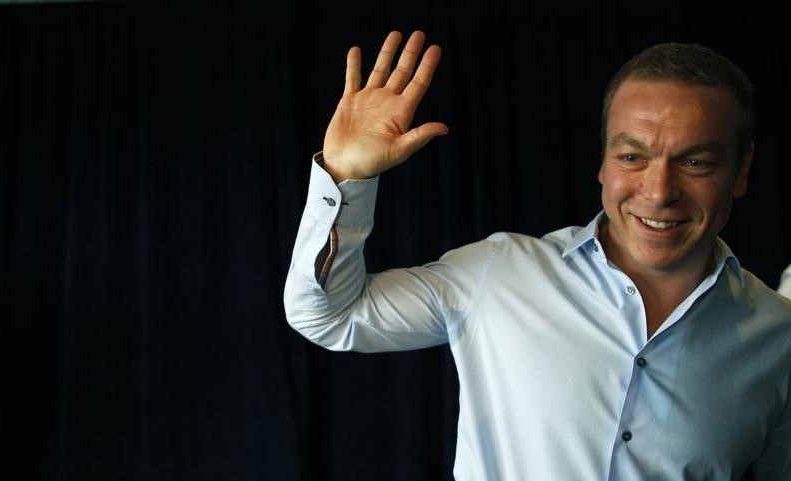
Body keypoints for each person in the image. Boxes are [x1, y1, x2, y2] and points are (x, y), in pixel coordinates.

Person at [284, 30, 791, 480]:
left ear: (741, 171)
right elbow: (329, 315)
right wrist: (347, 177)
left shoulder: (780, 337)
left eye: (696, 162)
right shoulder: (498, 272)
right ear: (604, 162)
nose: (658, 192)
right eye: (632, 156)